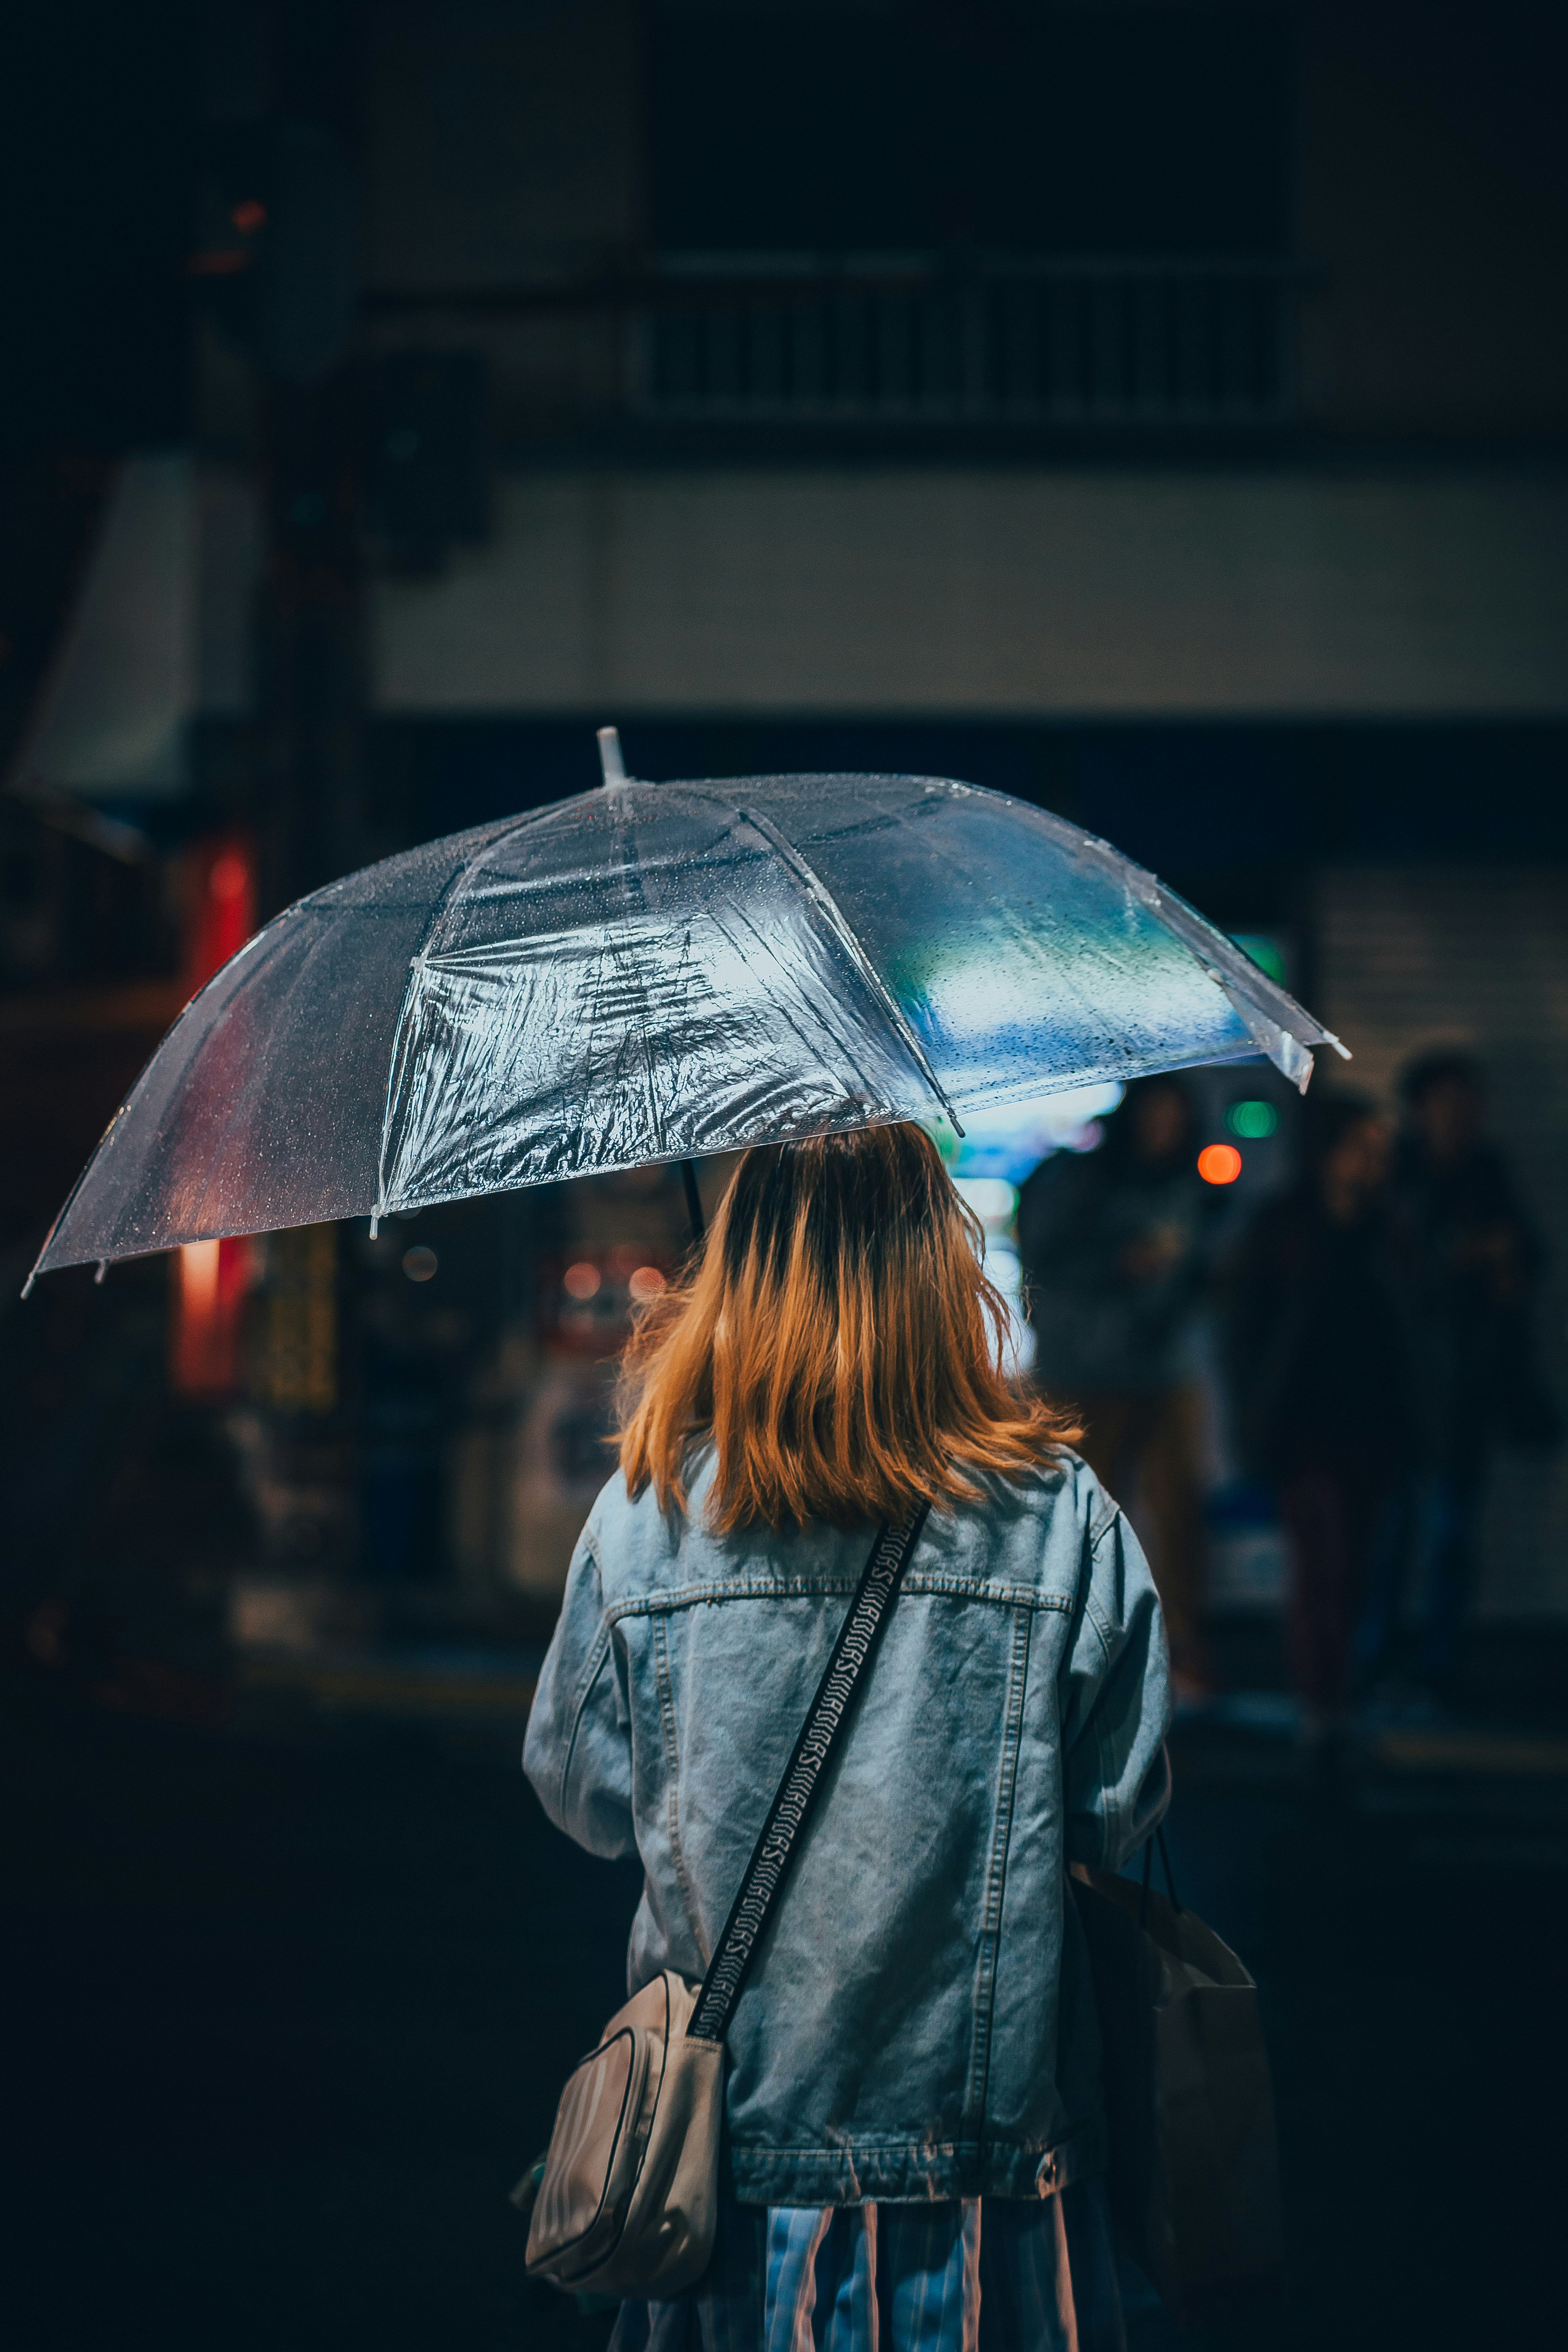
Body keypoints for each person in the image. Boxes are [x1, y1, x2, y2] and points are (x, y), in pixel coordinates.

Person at [524, 1124, 1171, 2351]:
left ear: (740, 1267)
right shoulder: (1059, 1515)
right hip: (985, 2169)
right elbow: (1115, 1804)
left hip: (722, 2165)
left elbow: (585, 1794)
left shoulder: (648, 1512)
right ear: (940, 1266)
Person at [1357, 1050, 1554, 1700]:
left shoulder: (1488, 1173)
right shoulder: (1394, 1175)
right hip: (1396, 1389)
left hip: (1466, 1389)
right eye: (1444, 1104)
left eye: (1467, 1105)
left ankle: (1437, 1667)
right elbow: (1388, 1277)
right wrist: (1462, 1256)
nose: (1457, 1118)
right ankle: (1370, 1662)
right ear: (1419, 1110)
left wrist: (1504, 1262)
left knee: (1451, 1536)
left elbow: (1526, 1261)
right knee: (1388, 1536)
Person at [1017, 1076, 1217, 1699]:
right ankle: (1065, 1646)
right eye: (1156, 1117)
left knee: (1176, 1514)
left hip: (1160, 1369)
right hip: (1083, 1372)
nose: (1166, 1131)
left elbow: (1199, 1270)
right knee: (1077, 1516)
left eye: (1176, 1119)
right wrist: (1117, 1262)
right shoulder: (1074, 1180)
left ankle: (1178, 1648)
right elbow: (1043, 1262)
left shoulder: (1187, 1187)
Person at [1226, 1094, 1409, 1749]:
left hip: (1378, 1421)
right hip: (1303, 1425)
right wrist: (1254, 1415)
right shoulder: (1284, 1226)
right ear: (1329, 1153)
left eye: (1379, 1150)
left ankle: (1343, 1694)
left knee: (1361, 1565)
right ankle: (1321, 1700)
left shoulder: (1391, 1225)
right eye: (1362, 1147)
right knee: (1321, 1563)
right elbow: (1247, 1329)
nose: (1374, 1162)